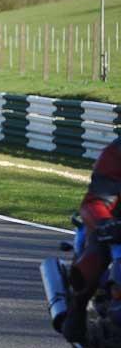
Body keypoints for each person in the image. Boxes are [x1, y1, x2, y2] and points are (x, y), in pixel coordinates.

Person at [61, 139, 121, 343]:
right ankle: (77, 307)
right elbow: (96, 200)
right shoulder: (117, 153)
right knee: (97, 254)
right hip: (115, 226)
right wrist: (105, 222)